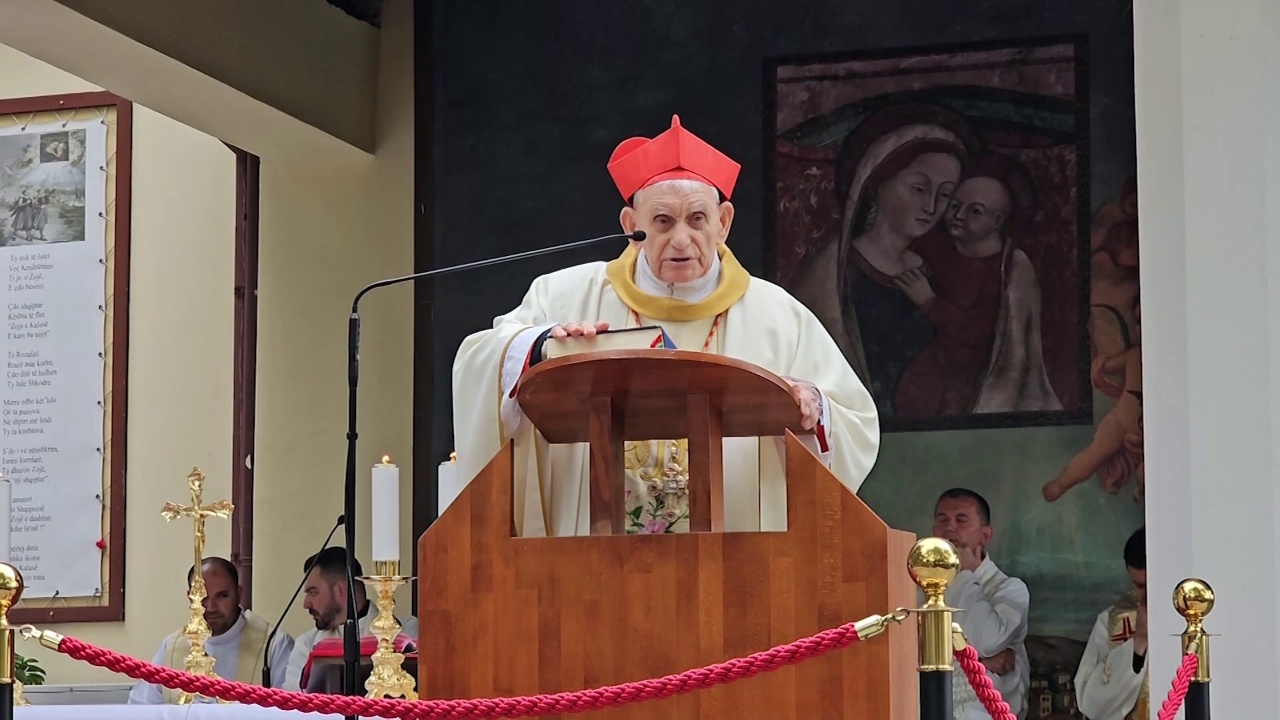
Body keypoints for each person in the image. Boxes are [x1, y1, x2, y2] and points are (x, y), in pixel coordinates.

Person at [452, 114, 880, 537]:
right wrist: (542, 346)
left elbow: (853, 424)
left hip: (734, 570)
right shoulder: (564, 296)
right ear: (630, 225)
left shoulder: (778, 317)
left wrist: (812, 409)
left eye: (697, 219)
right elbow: (482, 357)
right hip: (588, 563)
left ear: (724, 223)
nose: (680, 239)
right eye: (662, 221)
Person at [892, 153, 1060, 417]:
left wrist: (928, 301)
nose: (958, 215)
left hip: (979, 372)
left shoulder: (1009, 267)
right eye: (955, 205)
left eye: (975, 211)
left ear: (996, 222)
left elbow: (978, 329)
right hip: (936, 362)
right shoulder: (937, 246)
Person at [127, 557, 294, 704]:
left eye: (222, 596)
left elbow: (288, 712)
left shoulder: (273, 645)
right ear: (190, 597)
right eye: (202, 598)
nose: (211, 607)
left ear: (239, 594)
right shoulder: (171, 647)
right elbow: (141, 707)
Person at [931, 488, 1030, 719]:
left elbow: (985, 641)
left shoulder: (1010, 590)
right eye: (942, 519)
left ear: (985, 536)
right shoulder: (916, 589)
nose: (949, 528)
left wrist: (963, 573)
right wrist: (981, 664)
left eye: (961, 520)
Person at [282, 547, 418, 691]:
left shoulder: (405, 633)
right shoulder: (306, 645)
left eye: (313, 592)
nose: (306, 604)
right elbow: (294, 703)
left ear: (340, 590)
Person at [1075, 527, 1149, 719]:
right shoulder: (1112, 621)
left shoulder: (1196, 615)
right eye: (1140, 586)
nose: (1147, 595)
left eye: (1153, 584)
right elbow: (1089, 702)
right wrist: (1138, 643)